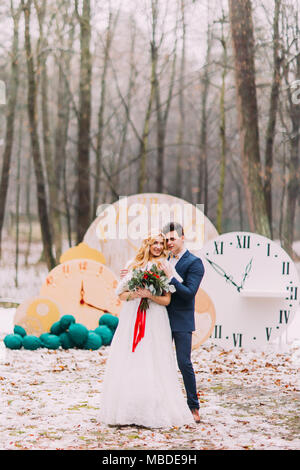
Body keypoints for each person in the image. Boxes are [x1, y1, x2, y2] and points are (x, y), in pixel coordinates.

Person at [99, 231, 195, 428]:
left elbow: (168, 299)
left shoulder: (165, 266)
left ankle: (154, 409)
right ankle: (127, 409)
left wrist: (149, 295)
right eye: (155, 243)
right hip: (132, 318)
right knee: (131, 358)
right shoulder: (133, 264)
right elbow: (121, 294)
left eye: (161, 243)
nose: (159, 246)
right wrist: (136, 294)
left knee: (154, 359)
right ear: (147, 244)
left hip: (156, 319)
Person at [160, 222, 205, 424]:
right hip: (160, 317)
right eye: (166, 239)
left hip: (182, 319)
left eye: (172, 238)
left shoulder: (195, 263)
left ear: (182, 237)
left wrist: (171, 278)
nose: (169, 242)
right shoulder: (163, 259)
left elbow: (188, 294)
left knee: (183, 362)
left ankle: (193, 406)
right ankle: (162, 403)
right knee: (159, 361)